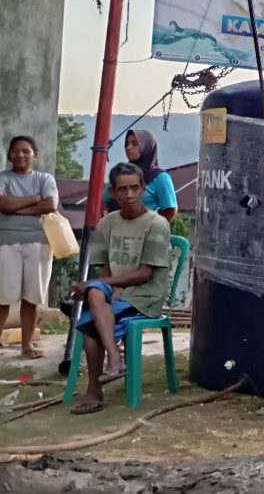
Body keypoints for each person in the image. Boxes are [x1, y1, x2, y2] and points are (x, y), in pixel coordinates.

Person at [69, 163, 171, 415]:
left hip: (145, 296)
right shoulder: (107, 223)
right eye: (123, 189)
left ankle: (95, 387)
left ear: (144, 189)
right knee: (94, 294)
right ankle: (114, 357)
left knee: (89, 323)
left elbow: (146, 273)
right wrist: (101, 287)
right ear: (113, 192)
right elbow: (106, 269)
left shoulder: (157, 224)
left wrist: (101, 285)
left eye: (135, 188)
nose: (130, 195)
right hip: (116, 293)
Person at [0, 136, 59, 359]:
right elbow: (2, 204)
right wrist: (34, 200)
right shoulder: (3, 178)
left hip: (39, 243)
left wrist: (14, 208)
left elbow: (51, 204)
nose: (21, 155)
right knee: (2, 297)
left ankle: (27, 346)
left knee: (31, 297)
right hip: (6, 242)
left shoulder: (45, 179)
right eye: (16, 151)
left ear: (35, 155)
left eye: (26, 151)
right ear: (9, 155)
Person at [102, 129, 178, 223]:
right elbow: (104, 200)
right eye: (127, 144)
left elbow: (170, 210)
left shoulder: (160, 178)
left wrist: (154, 230)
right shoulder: (120, 173)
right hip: (116, 231)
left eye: (134, 144)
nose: (128, 148)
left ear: (146, 147)